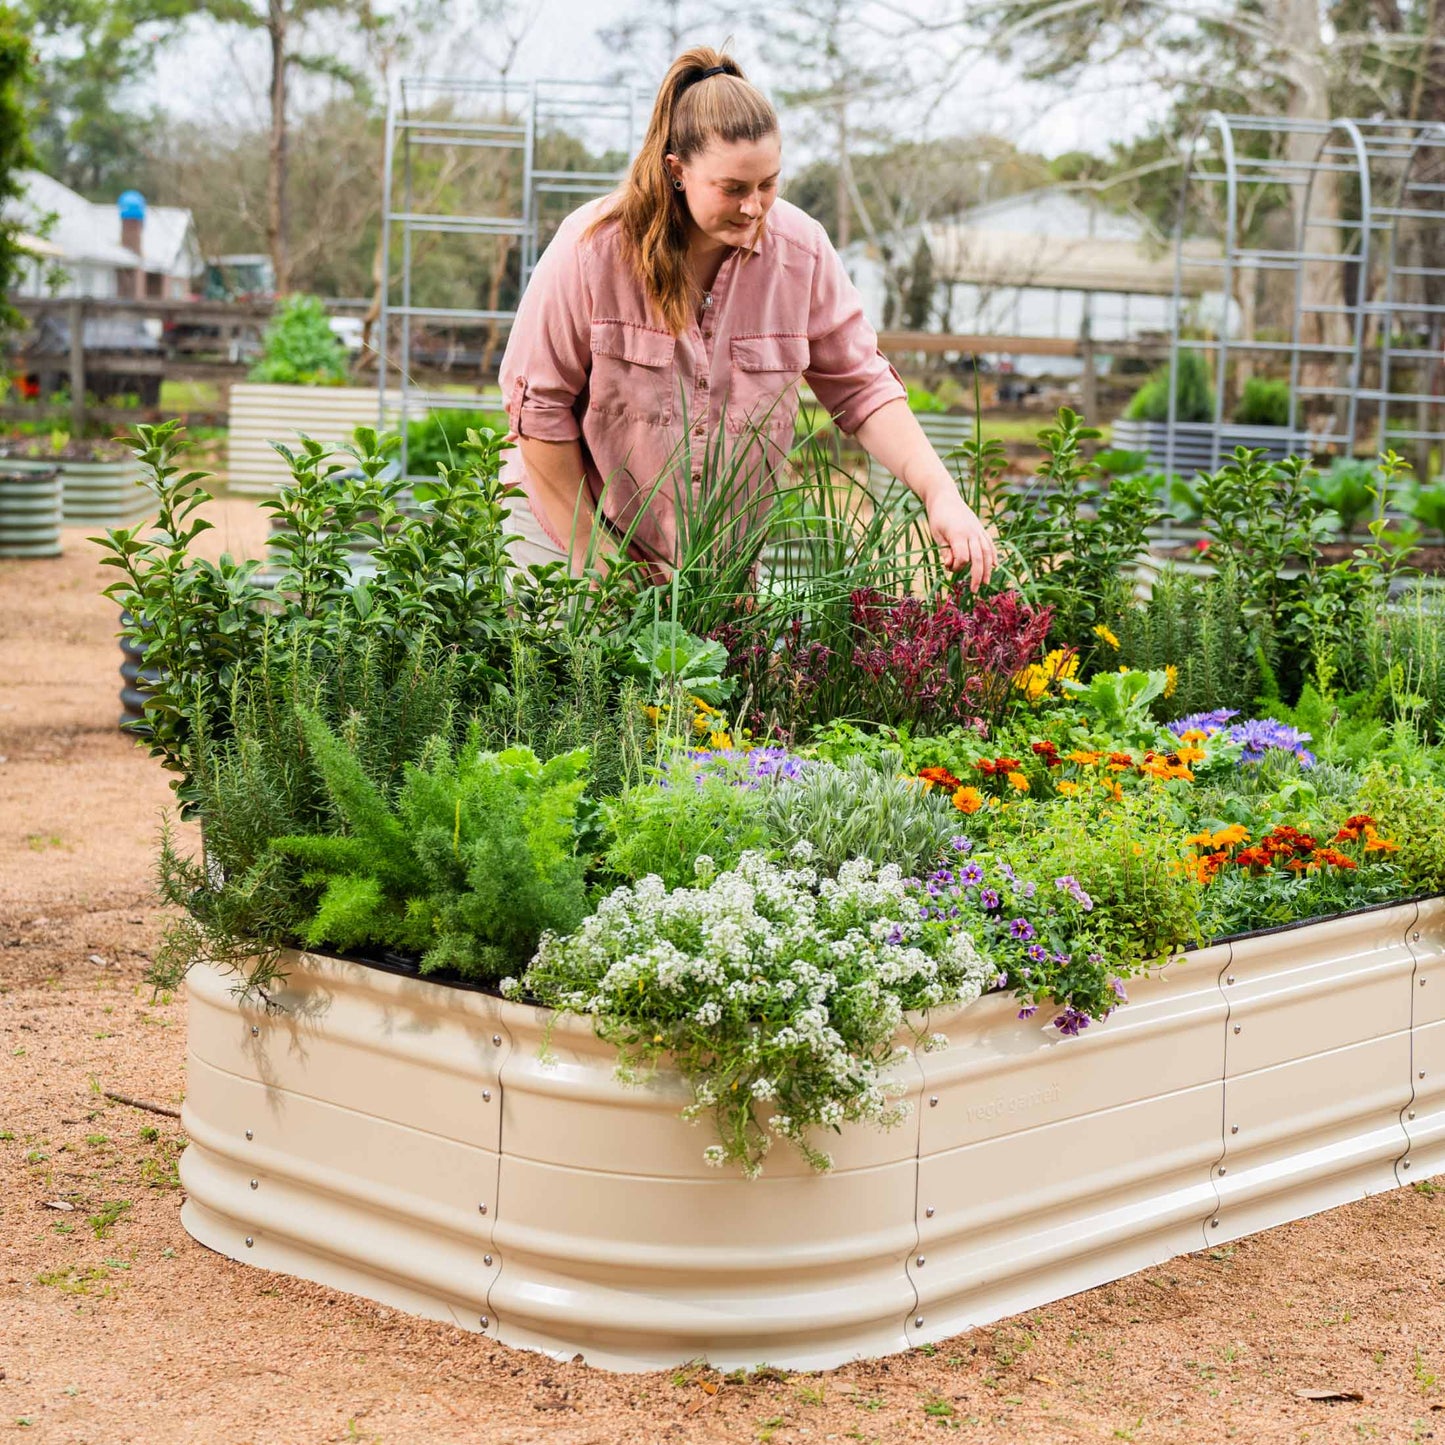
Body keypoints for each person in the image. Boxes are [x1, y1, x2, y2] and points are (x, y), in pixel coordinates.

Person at [499, 46, 998, 589]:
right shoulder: (593, 247)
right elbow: (538, 410)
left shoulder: (801, 251)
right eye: (732, 188)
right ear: (677, 171)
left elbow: (864, 387)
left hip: (711, 552)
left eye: (768, 184)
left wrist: (940, 492)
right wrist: (595, 566)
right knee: (579, 670)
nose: (754, 207)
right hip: (570, 521)